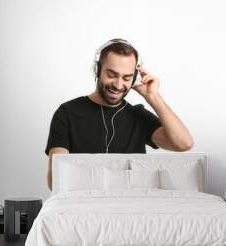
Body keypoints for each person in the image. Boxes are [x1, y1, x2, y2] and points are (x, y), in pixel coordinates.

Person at [45, 39, 194, 190]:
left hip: (130, 207)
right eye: (112, 75)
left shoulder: (138, 116)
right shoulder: (67, 113)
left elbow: (183, 144)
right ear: (97, 70)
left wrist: (153, 97)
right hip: (84, 206)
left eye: (127, 78)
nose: (118, 85)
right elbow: (56, 180)